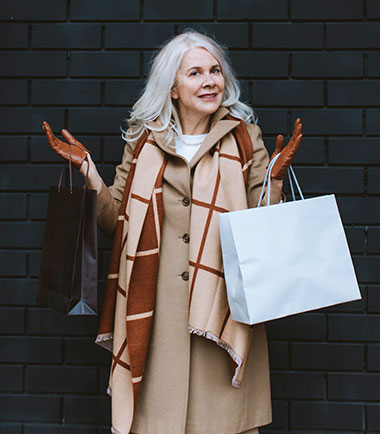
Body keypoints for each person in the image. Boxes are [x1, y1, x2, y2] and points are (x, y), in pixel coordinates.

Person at [43, 30, 302, 434]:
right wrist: (88, 172)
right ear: (174, 88)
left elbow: (261, 230)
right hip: (155, 311)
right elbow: (117, 223)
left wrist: (275, 180)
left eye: (215, 70)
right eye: (195, 73)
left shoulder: (245, 138)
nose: (210, 81)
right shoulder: (143, 140)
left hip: (221, 308)